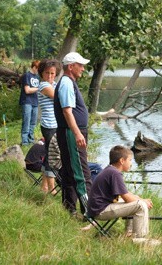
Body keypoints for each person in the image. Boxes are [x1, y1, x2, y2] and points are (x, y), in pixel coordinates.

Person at [87, 145, 153, 239]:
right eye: (130, 160)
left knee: (136, 200)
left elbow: (125, 193)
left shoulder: (111, 170)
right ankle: (140, 239)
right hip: (100, 211)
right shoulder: (115, 173)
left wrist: (141, 199)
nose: (131, 164)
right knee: (140, 205)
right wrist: (143, 202)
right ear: (122, 161)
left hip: (97, 208)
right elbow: (126, 197)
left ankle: (129, 233)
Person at [54, 52, 92, 216]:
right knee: (82, 173)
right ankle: (90, 212)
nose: (83, 68)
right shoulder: (67, 83)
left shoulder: (67, 82)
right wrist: (77, 134)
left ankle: (69, 210)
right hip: (71, 132)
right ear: (71, 66)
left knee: (70, 172)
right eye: (80, 65)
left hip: (71, 131)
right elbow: (67, 112)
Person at [38, 59, 62, 195]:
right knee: (53, 156)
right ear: (42, 73)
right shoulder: (44, 86)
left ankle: (44, 187)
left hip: (54, 124)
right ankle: (52, 188)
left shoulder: (54, 84)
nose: (50, 76)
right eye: (47, 73)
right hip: (49, 125)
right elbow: (59, 97)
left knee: (48, 154)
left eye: (53, 73)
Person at [19, 60, 40, 146]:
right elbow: (27, 90)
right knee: (26, 121)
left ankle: (31, 139)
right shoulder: (27, 75)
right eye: (38, 69)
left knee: (33, 122)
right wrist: (39, 88)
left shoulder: (37, 77)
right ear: (34, 67)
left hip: (35, 101)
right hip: (27, 101)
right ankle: (24, 141)